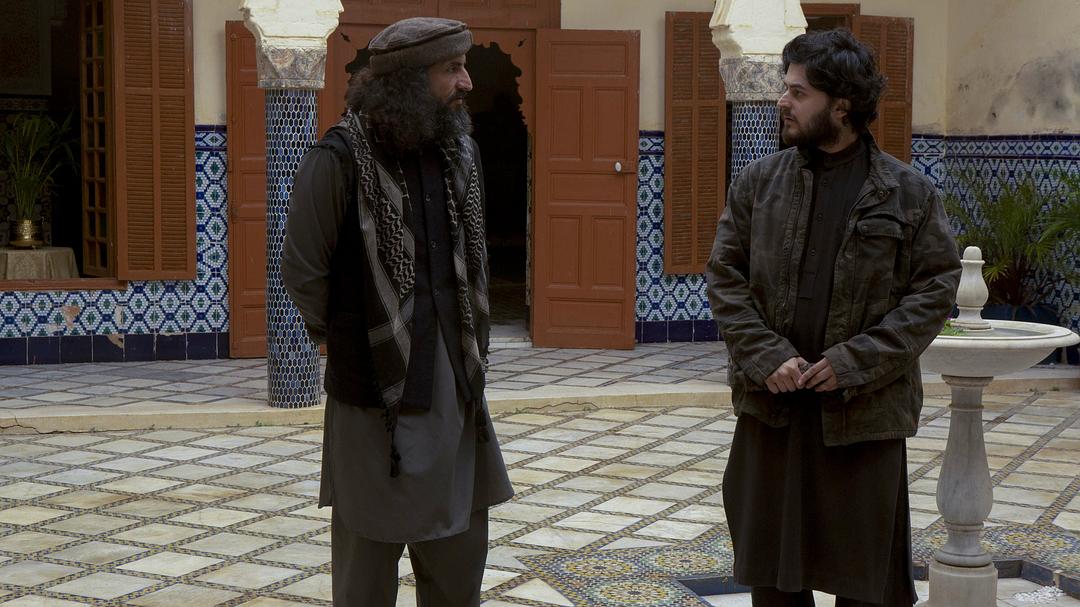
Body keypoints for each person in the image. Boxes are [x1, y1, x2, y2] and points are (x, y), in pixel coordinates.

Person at [705, 29, 961, 607]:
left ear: (842, 106)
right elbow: (724, 276)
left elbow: (934, 292)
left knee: (865, 583)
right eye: (785, 89)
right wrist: (765, 355)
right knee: (774, 580)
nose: (783, 101)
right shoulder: (758, 183)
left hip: (863, 418)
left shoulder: (908, 193)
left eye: (798, 92)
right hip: (773, 411)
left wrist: (852, 362)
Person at [281, 17, 513, 607]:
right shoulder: (338, 159)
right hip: (373, 400)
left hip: (454, 391)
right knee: (365, 571)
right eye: (451, 69)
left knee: (458, 562)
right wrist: (339, 337)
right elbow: (304, 270)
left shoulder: (461, 153)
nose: (466, 81)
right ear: (408, 81)